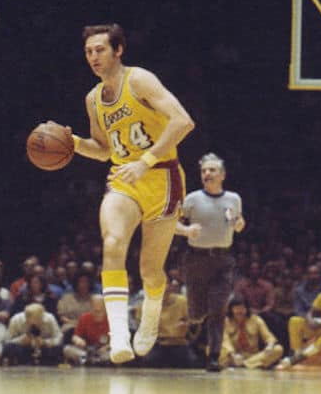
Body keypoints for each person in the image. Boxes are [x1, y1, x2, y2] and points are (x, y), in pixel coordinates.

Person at [43, 23, 195, 364]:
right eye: (88, 52)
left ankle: (151, 316)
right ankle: (119, 336)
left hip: (162, 176)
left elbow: (183, 121)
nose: (93, 57)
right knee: (112, 244)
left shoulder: (139, 79)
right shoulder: (93, 99)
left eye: (100, 50)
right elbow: (103, 150)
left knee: (150, 271)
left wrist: (146, 161)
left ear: (118, 50)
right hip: (124, 179)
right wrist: (74, 143)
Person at [175, 152, 245, 371]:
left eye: (212, 170)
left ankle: (213, 356)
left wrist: (239, 224)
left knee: (218, 309)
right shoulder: (192, 199)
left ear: (222, 175)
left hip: (223, 260)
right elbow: (170, 224)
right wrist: (186, 230)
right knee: (196, 314)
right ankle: (198, 336)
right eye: (204, 170)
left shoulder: (234, 199)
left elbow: (238, 222)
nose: (207, 174)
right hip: (196, 260)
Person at [219, 294, 283, 370]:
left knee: (278, 349)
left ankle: (245, 365)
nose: (239, 311)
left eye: (242, 308)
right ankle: (250, 365)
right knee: (211, 349)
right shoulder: (225, 321)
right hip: (232, 356)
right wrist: (233, 354)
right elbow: (225, 340)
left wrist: (270, 345)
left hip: (252, 356)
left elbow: (268, 337)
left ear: (247, 309)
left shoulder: (256, 319)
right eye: (236, 308)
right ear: (231, 309)